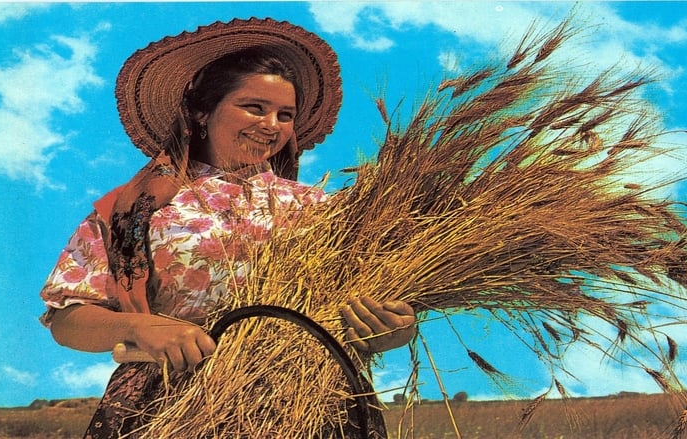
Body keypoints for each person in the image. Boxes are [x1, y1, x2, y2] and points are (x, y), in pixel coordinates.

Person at [38, 17, 415, 438]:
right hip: (168, 409)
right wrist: (139, 328)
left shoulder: (324, 211)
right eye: (254, 107)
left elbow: (371, 307)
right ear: (201, 111)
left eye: (285, 115)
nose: (271, 125)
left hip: (313, 405)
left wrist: (392, 328)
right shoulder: (132, 211)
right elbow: (67, 319)